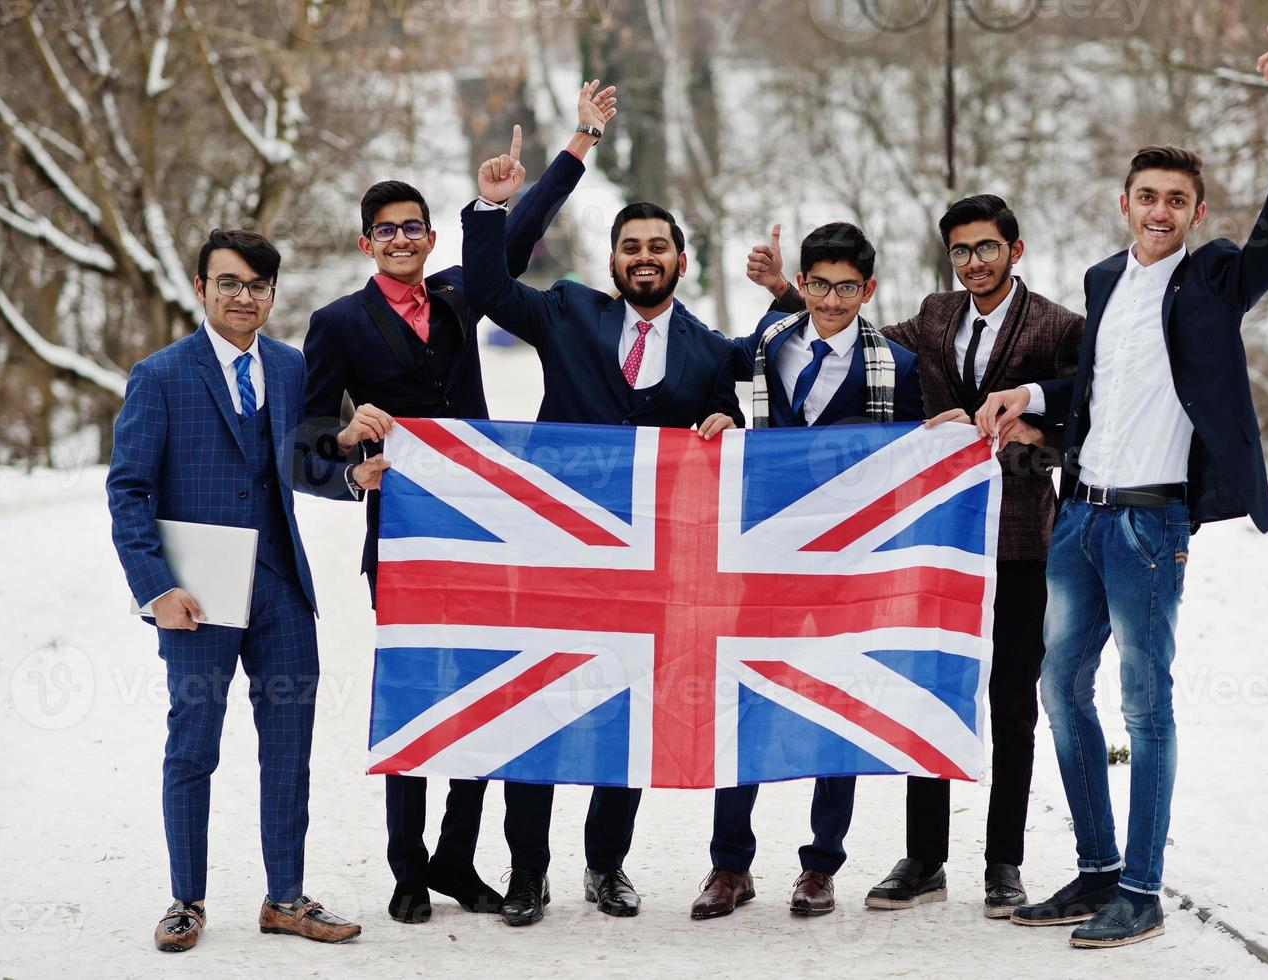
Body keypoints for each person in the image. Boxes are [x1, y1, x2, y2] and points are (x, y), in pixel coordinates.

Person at [976, 26, 1268, 948]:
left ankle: (1144, 886)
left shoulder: (1211, 279)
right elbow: (1103, 386)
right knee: (1057, 687)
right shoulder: (1102, 280)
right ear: (1123, 203)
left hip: (1150, 525)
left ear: (1195, 212)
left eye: (1176, 200)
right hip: (1077, 517)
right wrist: (1032, 392)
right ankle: (1092, 870)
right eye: (1147, 196)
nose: (1159, 210)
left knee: (1143, 704)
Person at [301, 81, 616, 926]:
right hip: (404, 537)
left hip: (489, 535)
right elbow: (301, 444)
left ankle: (454, 857)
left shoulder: (457, 293)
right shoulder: (334, 324)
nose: (402, 240)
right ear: (366, 244)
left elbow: (519, 229)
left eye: (414, 227)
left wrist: (577, 142)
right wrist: (346, 459)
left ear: (430, 237)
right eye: (386, 231)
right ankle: (408, 869)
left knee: (488, 696)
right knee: (416, 699)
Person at [748, 195, 1084, 917]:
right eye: (960, 250)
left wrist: (1038, 436)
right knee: (926, 691)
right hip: (936, 543)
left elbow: (1089, 418)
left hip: (1022, 538)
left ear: (1014, 251)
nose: (974, 262)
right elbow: (848, 335)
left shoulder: (1058, 326)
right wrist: (787, 291)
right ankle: (924, 857)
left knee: (1010, 704)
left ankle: (1003, 862)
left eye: (986, 248)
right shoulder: (934, 317)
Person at [460, 142, 743, 927]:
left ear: (681, 261)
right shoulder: (566, 311)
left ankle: (606, 865)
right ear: (613, 259)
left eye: (657, 246)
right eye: (630, 246)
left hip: (648, 565)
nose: (643, 257)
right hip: (557, 552)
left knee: (624, 714)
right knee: (538, 707)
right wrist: (494, 208)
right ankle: (526, 872)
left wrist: (728, 418)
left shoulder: (710, 352)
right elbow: (484, 286)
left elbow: (734, 430)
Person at [108, 229, 387, 952]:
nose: (244, 297)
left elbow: (300, 465)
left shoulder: (293, 370)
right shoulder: (160, 376)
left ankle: (285, 897)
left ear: (271, 294)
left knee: (289, 745)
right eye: (229, 283)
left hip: (281, 588)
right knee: (192, 746)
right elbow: (129, 492)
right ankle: (185, 900)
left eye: (258, 286)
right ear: (200, 288)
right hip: (196, 597)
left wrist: (348, 475)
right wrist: (155, 587)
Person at [693, 221, 923, 919]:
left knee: (837, 704)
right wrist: (720, 423)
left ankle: (821, 864)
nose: (829, 299)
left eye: (845, 287)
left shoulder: (897, 367)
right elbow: (706, 383)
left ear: (868, 289)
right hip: (761, 555)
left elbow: (912, 463)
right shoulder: (767, 343)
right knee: (744, 700)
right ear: (802, 282)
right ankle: (728, 865)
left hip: (845, 566)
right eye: (817, 284)